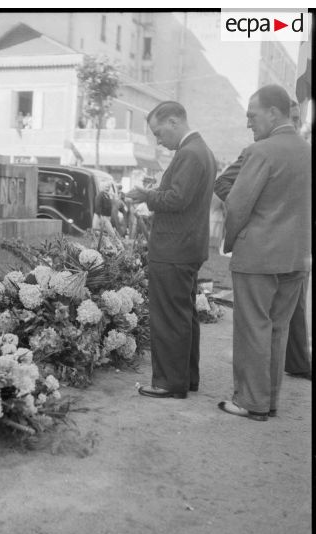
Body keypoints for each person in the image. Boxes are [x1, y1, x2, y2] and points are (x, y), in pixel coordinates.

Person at [218, 85, 311, 421]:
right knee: (277, 329)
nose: (248, 123)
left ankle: (250, 401)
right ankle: (269, 400)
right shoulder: (307, 150)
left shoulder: (262, 151)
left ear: (273, 113)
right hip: (295, 257)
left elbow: (237, 205)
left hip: (258, 256)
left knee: (252, 328)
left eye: (252, 115)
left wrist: (231, 242)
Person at [127, 101, 216, 398]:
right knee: (184, 315)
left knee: (169, 317)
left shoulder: (190, 153)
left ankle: (168, 382)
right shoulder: (198, 150)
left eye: (158, 132)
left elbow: (176, 200)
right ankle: (186, 378)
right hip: (186, 246)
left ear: (175, 121)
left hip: (174, 248)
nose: (158, 141)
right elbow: (182, 197)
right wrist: (156, 193)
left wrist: (147, 195)